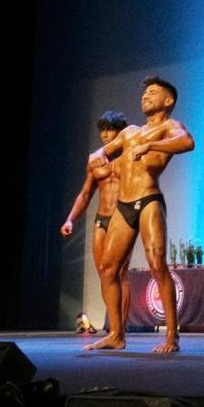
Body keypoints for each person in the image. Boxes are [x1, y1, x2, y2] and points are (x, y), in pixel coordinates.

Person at [83, 77, 194, 354]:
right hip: (123, 204)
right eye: (144, 92)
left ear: (167, 101)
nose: (146, 96)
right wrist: (97, 153)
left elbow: (187, 142)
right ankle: (117, 335)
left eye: (153, 93)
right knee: (108, 269)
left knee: (157, 264)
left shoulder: (169, 127)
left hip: (149, 200)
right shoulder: (130, 131)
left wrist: (153, 146)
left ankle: (172, 336)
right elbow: (104, 151)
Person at [61, 111, 131, 334]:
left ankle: (120, 327)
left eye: (111, 130)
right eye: (103, 130)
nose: (106, 135)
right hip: (102, 219)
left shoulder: (130, 157)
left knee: (119, 273)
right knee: (104, 272)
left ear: (120, 132)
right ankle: (114, 325)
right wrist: (70, 219)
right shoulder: (94, 162)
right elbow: (85, 194)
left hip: (124, 218)